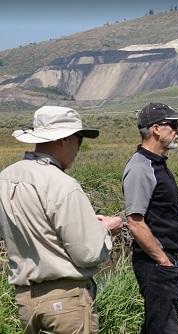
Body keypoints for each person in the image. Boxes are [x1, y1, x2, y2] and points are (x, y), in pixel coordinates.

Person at [0, 106, 123, 334]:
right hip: (66, 302)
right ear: (64, 139)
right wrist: (105, 230)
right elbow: (87, 253)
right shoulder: (62, 185)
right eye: (79, 139)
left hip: (25, 302)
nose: (79, 148)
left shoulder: (5, 178)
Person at [122, 103, 178, 334]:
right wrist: (163, 260)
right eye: (174, 125)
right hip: (157, 265)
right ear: (156, 129)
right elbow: (135, 222)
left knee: (158, 327)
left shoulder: (156, 163)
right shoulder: (141, 167)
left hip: (167, 262)